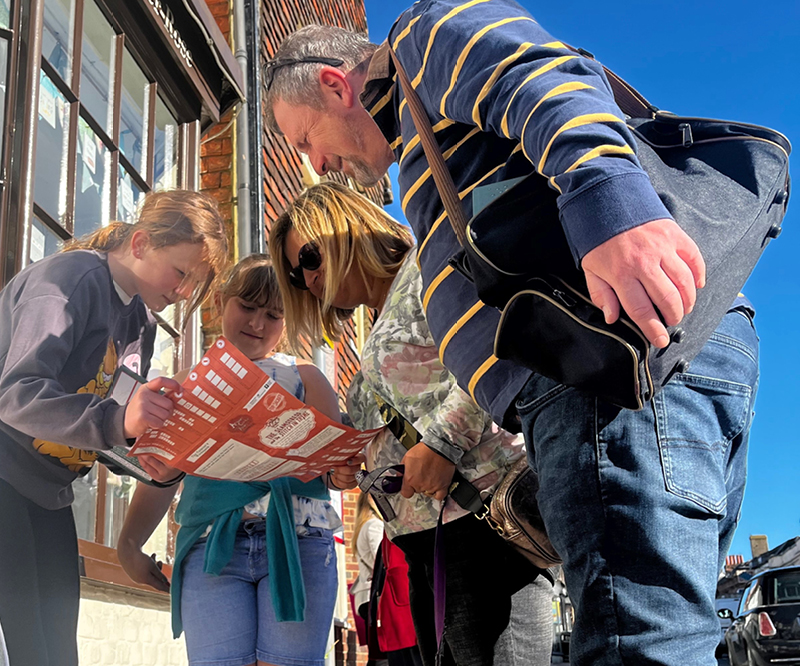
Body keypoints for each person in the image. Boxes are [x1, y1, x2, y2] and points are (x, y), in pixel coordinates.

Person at [264, 8, 760, 666]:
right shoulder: (420, 141)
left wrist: (612, 207)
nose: (317, 163)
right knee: (660, 631)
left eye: (305, 140)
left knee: (637, 639)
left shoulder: (419, 36)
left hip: (603, 356)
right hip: (612, 359)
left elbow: (536, 75)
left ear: (334, 85)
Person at [0, 189, 229, 666]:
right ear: (142, 243)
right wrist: (117, 421)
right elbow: (18, 395)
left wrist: (147, 452)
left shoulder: (140, 323)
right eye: (182, 273)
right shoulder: (72, 277)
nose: (185, 292)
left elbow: (96, 422)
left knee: (57, 656)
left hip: (46, 488)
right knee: (15, 652)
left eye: (196, 283)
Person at [270, 182, 553, 666]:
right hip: (424, 543)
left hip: (483, 526)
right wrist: (346, 464)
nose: (309, 278)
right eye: (297, 276)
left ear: (348, 228)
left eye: (311, 257)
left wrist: (443, 442)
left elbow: (501, 354)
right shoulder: (374, 320)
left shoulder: (430, 268)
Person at [116, 254, 362, 666]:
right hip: (213, 546)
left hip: (297, 543)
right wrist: (128, 544)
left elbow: (331, 471)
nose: (258, 323)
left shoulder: (308, 377)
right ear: (221, 302)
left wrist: (341, 472)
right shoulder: (184, 384)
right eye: (247, 307)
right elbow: (161, 476)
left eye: (273, 314)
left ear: (286, 321)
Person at [351, 490, 422, 666]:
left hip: (367, 596)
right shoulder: (374, 526)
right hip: (383, 595)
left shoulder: (363, 526)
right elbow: (383, 558)